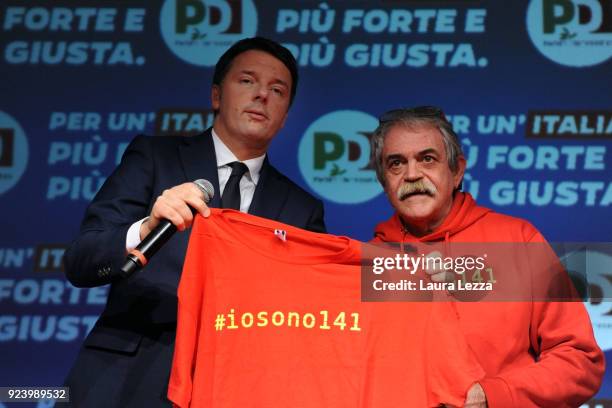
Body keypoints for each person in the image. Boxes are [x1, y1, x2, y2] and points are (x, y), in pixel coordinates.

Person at [63, 37, 325, 407]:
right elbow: (81, 260)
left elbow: (311, 312)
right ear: (216, 96)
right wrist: (146, 228)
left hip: (236, 388)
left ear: (285, 115)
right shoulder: (155, 158)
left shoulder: (302, 209)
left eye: (277, 90)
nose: (262, 95)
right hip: (128, 379)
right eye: (247, 81)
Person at [369, 106, 604, 407]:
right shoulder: (369, 262)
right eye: (396, 164)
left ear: (456, 171)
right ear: (383, 182)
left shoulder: (518, 241)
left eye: (427, 159)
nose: (412, 174)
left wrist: (494, 395)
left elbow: (580, 361)